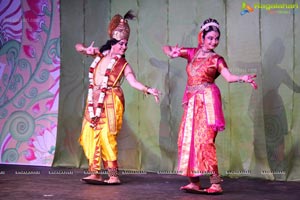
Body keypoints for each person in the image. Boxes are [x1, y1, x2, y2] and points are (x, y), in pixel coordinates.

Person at [162, 18, 257, 194]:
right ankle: (194, 182)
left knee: (205, 141)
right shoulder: (192, 53)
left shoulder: (217, 59)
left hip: (208, 102)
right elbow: (166, 48)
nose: (214, 42)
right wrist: (171, 52)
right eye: (210, 38)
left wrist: (242, 78)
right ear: (202, 37)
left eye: (216, 38)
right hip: (192, 103)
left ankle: (216, 184)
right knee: (188, 140)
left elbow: (228, 77)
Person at [75, 10, 160, 185]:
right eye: (121, 44)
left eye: (126, 44)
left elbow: (133, 82)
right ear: (112, 43)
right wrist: (85, 49)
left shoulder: (123, 64)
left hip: (111, 102)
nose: (124, 47)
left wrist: (148, 89)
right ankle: (95, 173)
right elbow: (77, 47)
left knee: (107, 135)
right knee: (90, 133)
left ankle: (113, 175)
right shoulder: (100, 55)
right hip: (93, 100)